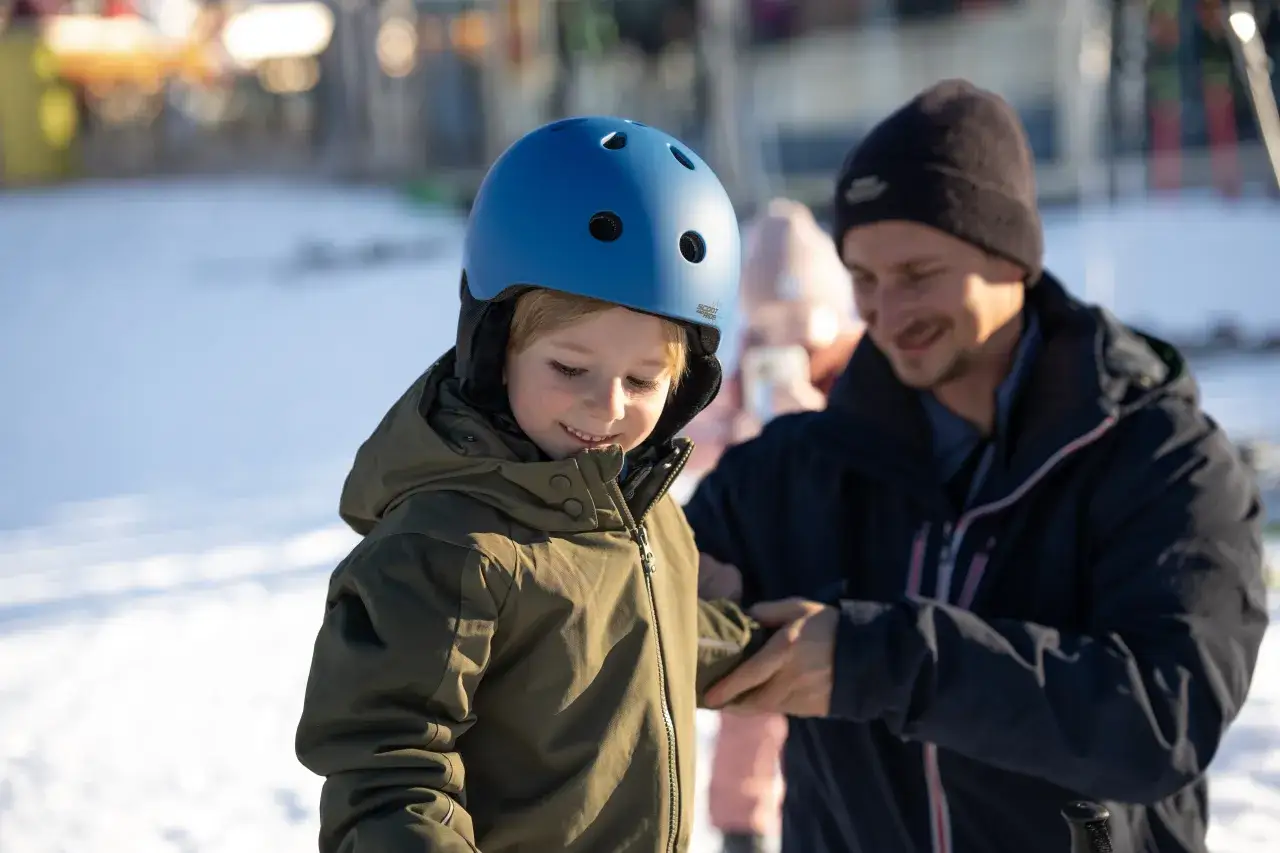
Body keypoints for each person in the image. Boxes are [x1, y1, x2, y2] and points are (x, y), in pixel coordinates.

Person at [684, 80, 1269, 853]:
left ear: (1011, 258)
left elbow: (1162, 718)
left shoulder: (1162, 461)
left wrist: (879, 661)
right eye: (863, 280)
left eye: (919, 275)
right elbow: (636, 573)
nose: (886, 315)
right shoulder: (797, 469)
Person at [294, 116, 765, 853]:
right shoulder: (446, 547)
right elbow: (386, 772)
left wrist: (771, 643)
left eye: (643, 379)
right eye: (570, 369)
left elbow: (640, 632)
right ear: (494, 348)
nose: (607, 407)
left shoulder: (642, 515)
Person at [681, 198, 862, 853]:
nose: (789, 337)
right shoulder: (748, 368)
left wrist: (811, 416)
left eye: (801, 320)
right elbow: (694, 440)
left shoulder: (855, 370)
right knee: (747, 697)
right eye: (771, 321)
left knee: (827, 703)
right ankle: (742, 825)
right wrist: (738, 431)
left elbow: (879, 447)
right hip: (756, 560)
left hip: (840, 566)